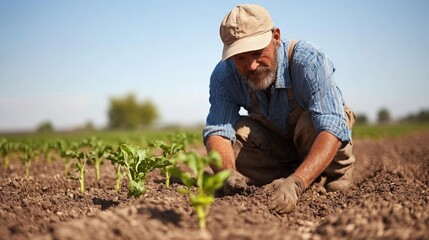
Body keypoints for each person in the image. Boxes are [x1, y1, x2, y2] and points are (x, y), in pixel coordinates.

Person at [203, 4, 356, 214]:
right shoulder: (224, 76)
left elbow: (331, 126)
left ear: (275, 37)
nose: (251, 66)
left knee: (313, 121)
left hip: (311, 135)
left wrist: (297, 183)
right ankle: (284, 175)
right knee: (237, 136)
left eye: (257, 52)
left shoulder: (308, 61)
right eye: (240, 58)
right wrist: (227, 173)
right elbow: (217, 132)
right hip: (278, 147)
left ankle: (334, 173)